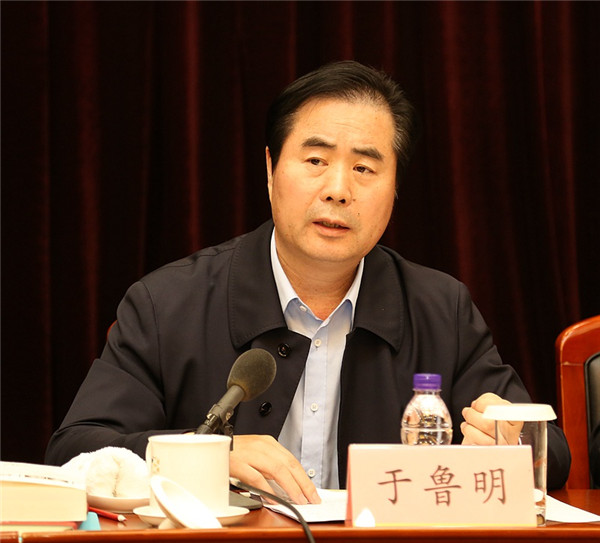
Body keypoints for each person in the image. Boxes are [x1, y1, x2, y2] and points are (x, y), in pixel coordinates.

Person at [45, 60, 571, 503]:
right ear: (271, 168)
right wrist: (208, 454)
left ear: (394, 189)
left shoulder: (441, 308)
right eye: (316, 160)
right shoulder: (168, 303)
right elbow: (74, 451)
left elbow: (553, 454)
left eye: (364, 169)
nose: (338, 189)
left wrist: (512, 441)